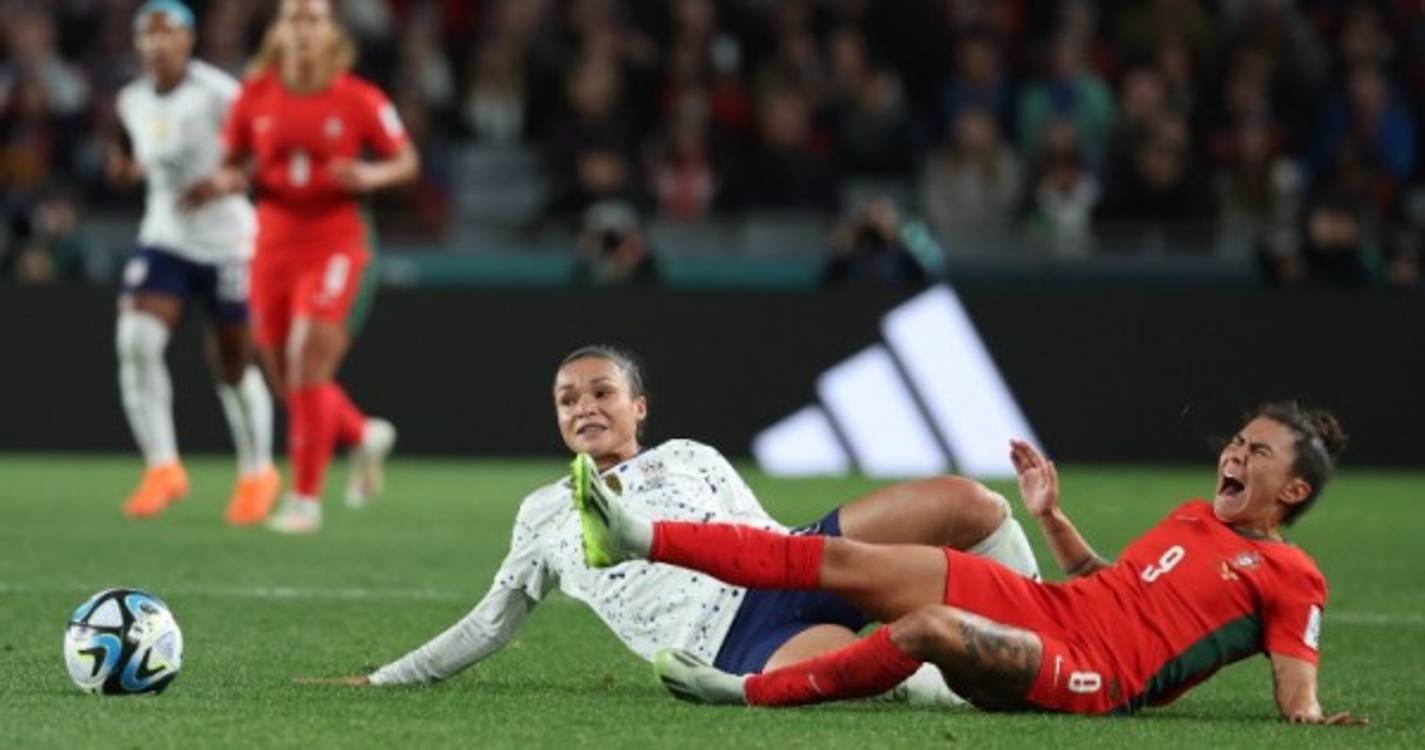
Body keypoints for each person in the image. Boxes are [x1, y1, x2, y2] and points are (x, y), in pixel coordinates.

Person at [309, 345, 1040, 706]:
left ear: (639, 409)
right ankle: (1022, 681)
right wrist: (383, 679)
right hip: (731, 640)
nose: (584, 407)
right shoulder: (541, 514)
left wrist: (844, 566)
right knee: (883, 667)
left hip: (792, 563)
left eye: (603, 392)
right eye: (568, 399)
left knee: (968, 503)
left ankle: (1048, 625)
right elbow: (487, 625)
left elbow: (761, 526)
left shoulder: (691, 454)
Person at [576, 402, 1367, 724]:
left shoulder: (1293, 578)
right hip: (1055, 614)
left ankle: (748, 691)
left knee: (927, 628)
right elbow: (1110, 587)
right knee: (841, 556)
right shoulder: (1196, 517)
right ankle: (637, 536)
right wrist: (1049, 518)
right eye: (1237, 439)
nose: (1233, 451)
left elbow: (1295, 686)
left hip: (1091, 676)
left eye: (1255, 451)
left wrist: (1308, 718)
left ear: (1291, 489)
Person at [184, 0, 418, 533]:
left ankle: (304, 501)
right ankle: (360, 434)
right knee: (287, 378)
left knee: (307, 358)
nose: (304, 28)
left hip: (336, 239)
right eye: (294, 18)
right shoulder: (255, 97)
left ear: (331, 31)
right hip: (271, 241)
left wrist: (369, 175)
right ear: (279, 30)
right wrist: (219, 183)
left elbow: (405, 160)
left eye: (314, 18)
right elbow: (231, 164)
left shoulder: (359, 98)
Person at [111, 1, 278, 524]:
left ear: (189, 41)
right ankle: (163, 468)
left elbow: (259, 156)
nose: (159, 44)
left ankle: (257, 472)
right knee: (136, 341)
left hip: (228, 243)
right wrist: (123, 170)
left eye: (170, 34)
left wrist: (224, 181)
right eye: (149, 36)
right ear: (139, 44)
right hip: (165, 238)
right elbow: (138, 155)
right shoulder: (131, 99)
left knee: (232, 365)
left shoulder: (220, 94)